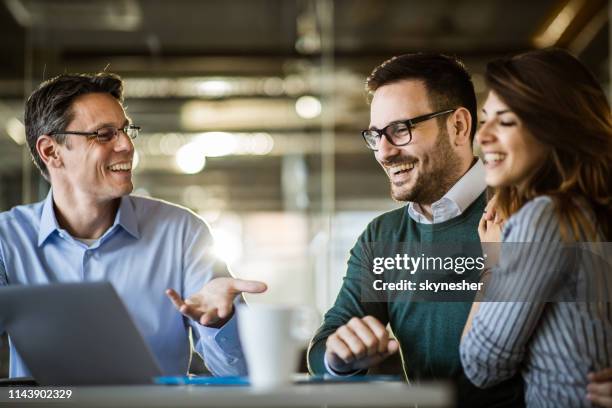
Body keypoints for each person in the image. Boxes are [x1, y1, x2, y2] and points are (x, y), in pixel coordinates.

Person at [0, 73, 267, 379]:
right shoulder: (7, 239)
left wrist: (222, 322)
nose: (126, 144)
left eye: (125, 130)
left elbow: (249, 374)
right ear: (51, 151)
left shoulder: (182, 234)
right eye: (104, 134)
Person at [307, 53, 524, 407]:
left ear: (458, 126)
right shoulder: (381, 239)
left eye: (400, 130)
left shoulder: (527, 211)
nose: (385, 152)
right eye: (376, 135)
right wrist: (339, 356)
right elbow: (324, 349)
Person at [460, 48, 612, 407]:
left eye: (506, 121)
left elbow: (481, 365)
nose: (483, 136)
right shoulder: (592, 210)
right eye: (485, 120)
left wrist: (493, 262)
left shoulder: (545, 216)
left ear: (553, 126)